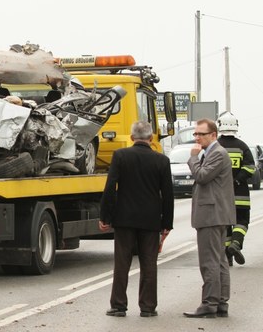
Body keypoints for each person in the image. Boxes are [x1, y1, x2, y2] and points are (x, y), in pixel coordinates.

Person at [99, 121, 174, 318]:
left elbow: (110, 188)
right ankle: (148, 307)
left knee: (121, 263)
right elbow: (168, 194)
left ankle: (118, 306)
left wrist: (105, 216)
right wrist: (167, 224)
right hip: (150, 221)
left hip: (124, 219)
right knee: (149, 263)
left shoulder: (121, 156)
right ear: (151, 138)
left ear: (132, 138)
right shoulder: (162, 161)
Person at [184, 118, 236, 318]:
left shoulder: (217, 153)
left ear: (213, 135)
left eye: (201, 134)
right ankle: (221, 302)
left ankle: (209, 303)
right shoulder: (214, 152)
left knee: (210, 261)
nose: (197, 138)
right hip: (216, 214)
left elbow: (202, 176)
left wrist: (193, 158)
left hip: (211, 215)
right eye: (195, 134)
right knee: (219, 260)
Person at [216, 111, 254, 266]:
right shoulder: (242, 146)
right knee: (242, 221)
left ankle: (227, 257)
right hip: (240, 194)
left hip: (220, 195)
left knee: (224, 225)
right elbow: (250, 168)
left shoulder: (215, 146)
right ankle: (236, 244)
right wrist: (238, 181)